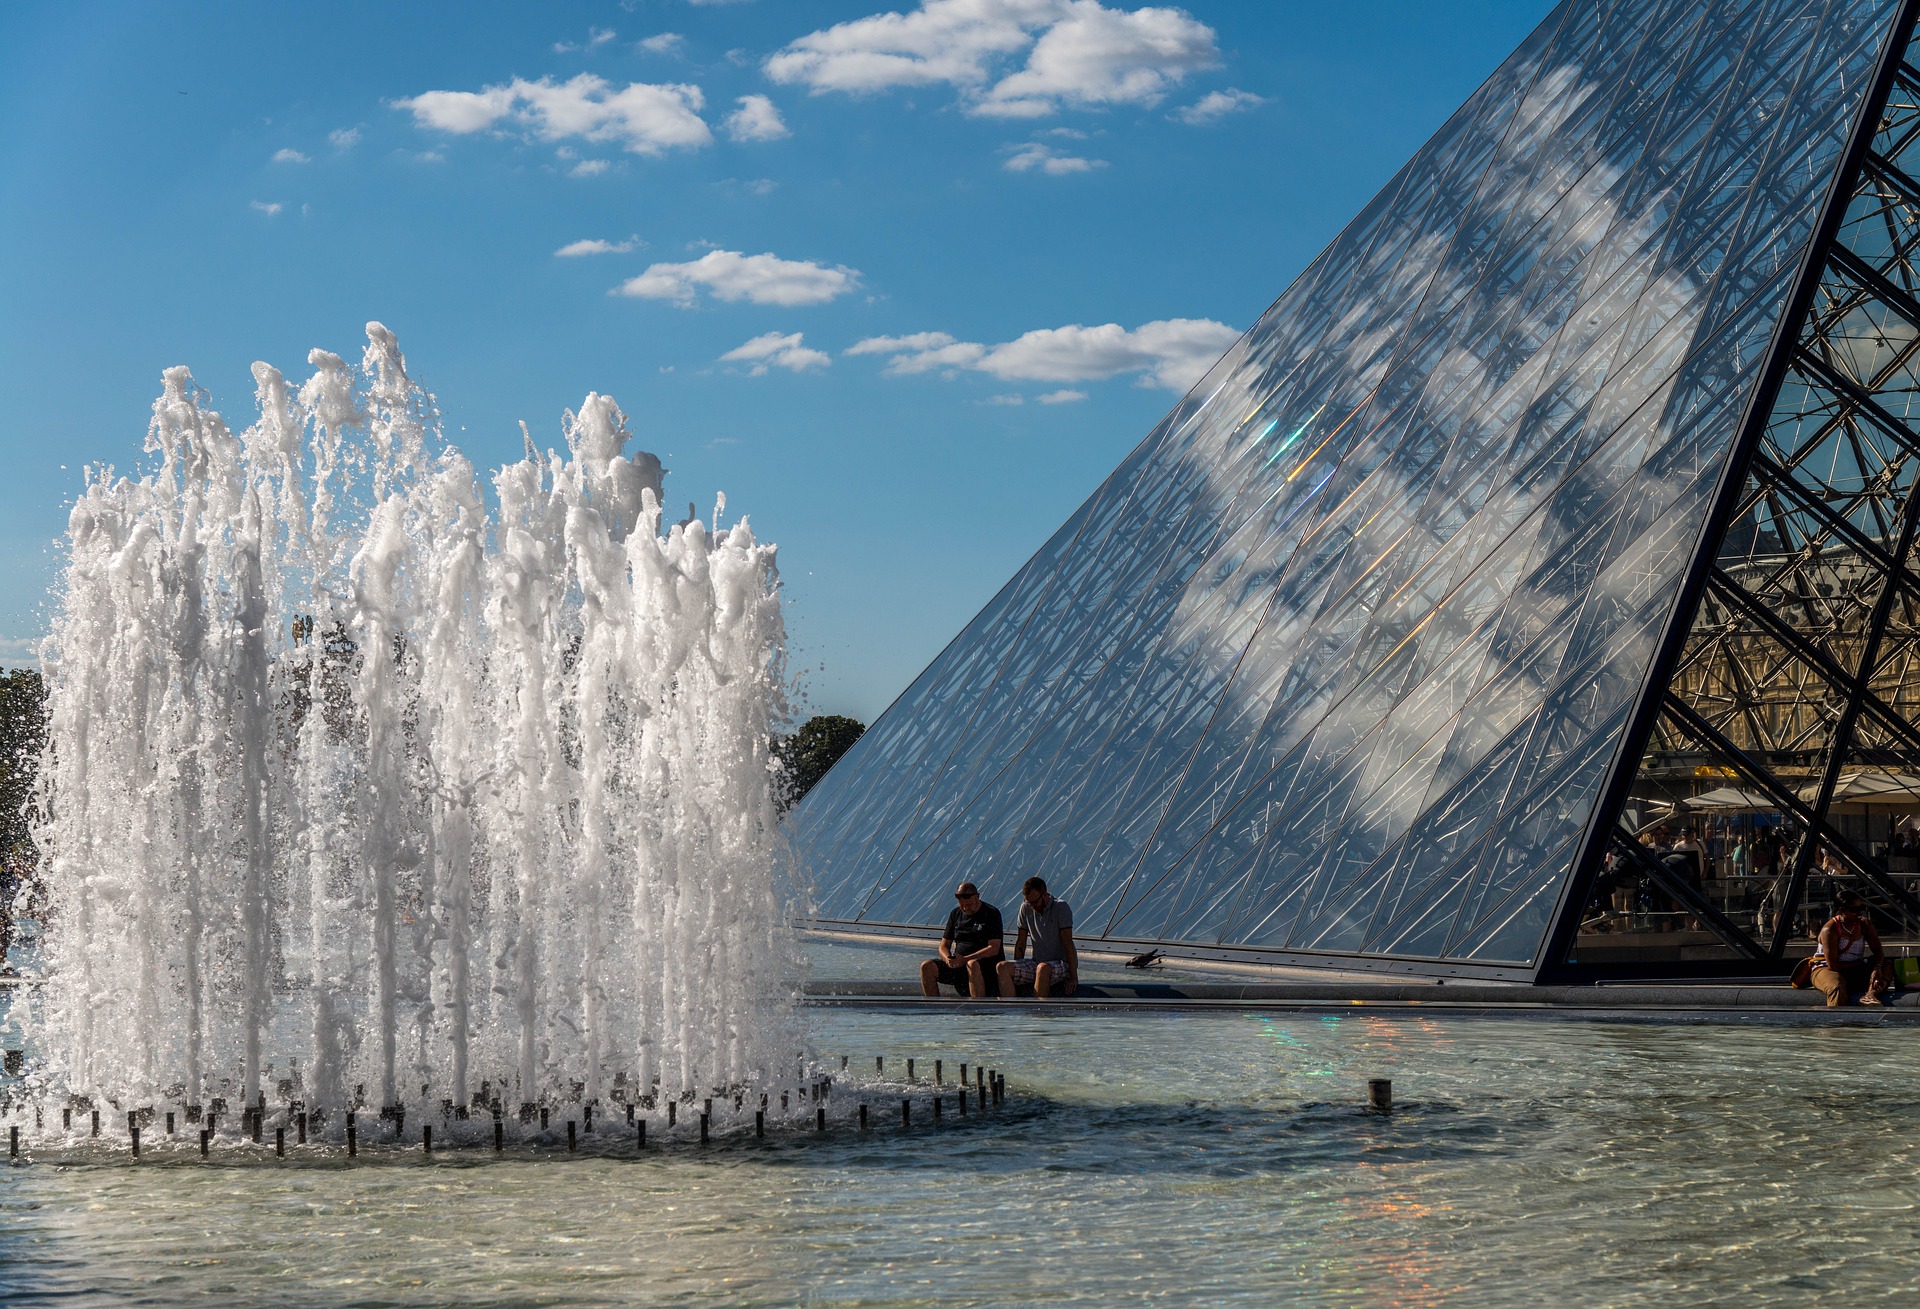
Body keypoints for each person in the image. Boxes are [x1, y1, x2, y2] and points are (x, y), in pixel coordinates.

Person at [998, 876, 1078, 998]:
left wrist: (1073, 977)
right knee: (1002, 967)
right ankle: (1010, 1012)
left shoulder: (1061, 907)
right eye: (1028, 902)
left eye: (1035, 902)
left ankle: (1038, 1013)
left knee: (1042, 968)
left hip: (1062, 964)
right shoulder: (1025, 907)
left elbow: (1068, 943)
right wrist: (1017, 966)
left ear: (1045, 895)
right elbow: (1021, 942)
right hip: (1038, 962)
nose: (1032, 906)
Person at [1808, 892, 1892, 1008]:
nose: (1859, 913)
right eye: (1854, 910)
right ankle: (1837, 1022)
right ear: (1841, 910)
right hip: (1826, 968)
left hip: (1854, 967)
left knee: (1887, 965)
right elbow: (1833, 965)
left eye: (1861, 908)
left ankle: (1870, 995)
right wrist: (1861, 963)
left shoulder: (1864, 924)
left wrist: (1877, 968)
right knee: (1837, 986)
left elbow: (1877, 949)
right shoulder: (1830, 930)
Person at [920, 882, 1004, 997]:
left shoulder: (991, 913)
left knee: (972, 964)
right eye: (962, 905)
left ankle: (978, 1008)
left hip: (983, 965)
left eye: (969, 905)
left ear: (977, 897)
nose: (965, 908)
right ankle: (933, 1006)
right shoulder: (955, 914)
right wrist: (948, 959)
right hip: (959, 964)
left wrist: (965, 959)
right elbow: (944, 945)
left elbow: (994, 948)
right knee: (927, 966)